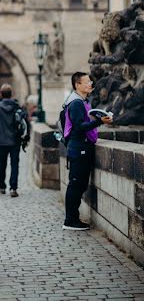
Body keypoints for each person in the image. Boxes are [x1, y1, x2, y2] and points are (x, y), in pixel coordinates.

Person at [63, 72, 113, 231]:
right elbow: (79, 126)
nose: (91, 84)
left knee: (79, 184)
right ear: (77, 85)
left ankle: (72, 218)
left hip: (82, 147)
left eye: (90, 81)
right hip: (79, 148)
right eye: (87, 82)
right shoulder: (76, 103)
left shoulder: (82, 101)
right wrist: (99, 121)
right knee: (76, 184)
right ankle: (70, 220)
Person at [0, 83, 30, 197]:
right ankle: (13, 188)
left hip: (0, 142)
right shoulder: (17, 106)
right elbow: (24, 123)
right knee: (15, 164)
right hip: (15, 141)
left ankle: (2, 186)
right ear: (11, 94)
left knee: (2, 165)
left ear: (1, 94)